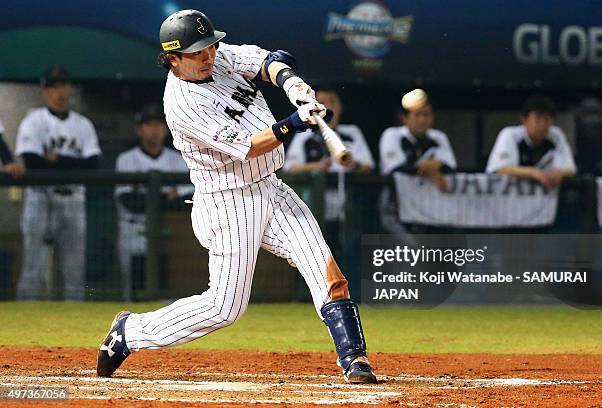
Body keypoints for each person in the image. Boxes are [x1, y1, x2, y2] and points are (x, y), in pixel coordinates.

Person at [96, 9, 377, 384]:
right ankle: (130, 332)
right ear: (173, 58)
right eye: (197, 53)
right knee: (225, 307)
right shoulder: (182, 105)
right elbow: (248, 146)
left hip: (270, 188)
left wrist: (292, 84)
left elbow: (269, 61)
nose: (208, 56)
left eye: (210, 46)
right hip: (227, 200)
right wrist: (294, 122)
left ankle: (354, 358)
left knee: (323, 266)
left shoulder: (219, 56)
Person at [15, 66, 101, 300]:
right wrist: (72, 163)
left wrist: (56, 159)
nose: (59, 92)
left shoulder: (83, 125)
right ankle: (27, 317)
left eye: (63, 85)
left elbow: (92, 165)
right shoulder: (33, 122)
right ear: (45, 91)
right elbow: (32, 163)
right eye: (53, 86)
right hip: (39, 198)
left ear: (70, 88)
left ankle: (73, 320)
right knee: (34, 265)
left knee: (74, 268)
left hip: (72, 199)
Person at [115, 104, 192, 301]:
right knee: (133, 292)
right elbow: (129, 201)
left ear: (166, 129)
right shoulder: (126, 159)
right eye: (148, 124)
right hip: (134, 230)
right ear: (139, 129)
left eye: (158, 124)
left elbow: (188, 200)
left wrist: (153, 198)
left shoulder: (178, 159)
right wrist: (167, 197)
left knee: (166, 291)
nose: (154, 130)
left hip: (168, 232)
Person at [283, 87, 374, 252]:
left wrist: (353, 164)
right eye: (322, 102)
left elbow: (369, 166)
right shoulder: (304, 135)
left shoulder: (352, 132)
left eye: (332, 101)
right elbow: (289, 168)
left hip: (347, 211)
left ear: (340, 107)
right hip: (314, 210)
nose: (327, 106)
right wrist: (315, 166)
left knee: (347, 257)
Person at [378, 90, 456, 233]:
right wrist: (432, 168)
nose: (422, 120)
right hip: (396, 206)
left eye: (426, 114)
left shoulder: (439, 137)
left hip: (430, 207)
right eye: (417, 114)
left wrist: (435, 166)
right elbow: (394, 168)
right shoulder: (392, 135)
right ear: (405, 118)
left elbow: (450, 167)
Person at [486, 95, 576, 189]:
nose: (542, 124)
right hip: (506, 196)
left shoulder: (556, 136)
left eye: (547, 119)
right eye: (537, 119)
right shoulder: (510, 135)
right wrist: (533, 172)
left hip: (543, 197)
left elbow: (570, 169)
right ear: (524, 120)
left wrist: (560, 174)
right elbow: (500, 169)